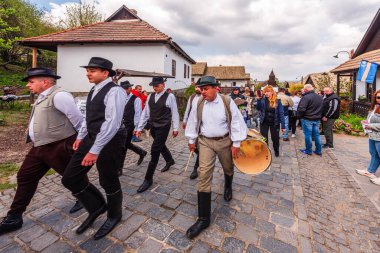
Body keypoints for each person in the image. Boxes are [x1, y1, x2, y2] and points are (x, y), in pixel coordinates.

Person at [0, 67, 84, 235]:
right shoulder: (42, 97)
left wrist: (77, 143)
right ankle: (14, 217)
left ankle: (84, 199)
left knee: (71, 176)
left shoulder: (60, 96)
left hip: (58, 145)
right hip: (39, 146)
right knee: (25, 176)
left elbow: (79, 121)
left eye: (31, 82)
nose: (28, 86)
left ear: (45, 81)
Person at [61, 57, 127, 240]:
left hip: (109, 140)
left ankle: (114, 215)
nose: (88, 73)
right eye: (88, 70)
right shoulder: (93, 89)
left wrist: (95, 149)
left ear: (105, 73)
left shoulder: (115, 91)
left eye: (92, 70)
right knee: (70, 178)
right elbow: (88, 116)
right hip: (91, 137)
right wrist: (81, 136)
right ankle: (96, 206)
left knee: (108, 179)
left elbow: (112, 123)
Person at [185, 76, 247, 239]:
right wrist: (192, 140)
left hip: (225, 141)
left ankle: (228, 186)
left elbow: (236, 122)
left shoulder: (227, 102)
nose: (202, 91)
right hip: (205, 142)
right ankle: (203, 219)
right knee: (204, 174)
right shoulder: (198, 102)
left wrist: (236, 143)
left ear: (216, 88)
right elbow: (193, 120)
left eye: (205, 89)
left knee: (228, 167)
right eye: (201, 89)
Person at [135, 76, 179, 193]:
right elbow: (145, 113)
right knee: (160, 145)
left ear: (163, 85)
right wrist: (139, 128)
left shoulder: (170, 96)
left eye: (157, 85)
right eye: (153, 86)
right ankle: (169, 160)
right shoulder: (150, 96)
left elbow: (174, 112)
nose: (155, 88)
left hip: (164, 126)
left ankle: (148, 179)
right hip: (154, 126)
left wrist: (175, 128)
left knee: (155, 149)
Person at [119, 81, 148, 176]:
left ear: (129, 89)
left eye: (124, 90)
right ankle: (142, 152)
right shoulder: (120, 98)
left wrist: (136, 129)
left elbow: (138, 115)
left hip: (130, 125)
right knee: (125, 144)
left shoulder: (136, 99)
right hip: (120, 125)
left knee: (123, 145)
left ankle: (119, 168)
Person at [356, 90, 380, 185]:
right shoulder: (374, 107)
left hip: (378, 136)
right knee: (373, 154)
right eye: (378, 97)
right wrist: (366, 122)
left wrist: (370, 126)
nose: (379, 99)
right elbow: (370, 119)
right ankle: (370, 171)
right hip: (372, 135)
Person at [256, 85, 285, 157]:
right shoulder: (262, 100)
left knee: (275, 138)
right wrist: (258, 100)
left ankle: (276, 151)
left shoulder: (277, 101)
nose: (266, 93)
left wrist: (283, 126)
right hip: (264, 122)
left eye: (268, 91)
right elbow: (258, 108)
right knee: (263, 138)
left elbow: (281, 113)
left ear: (272, 92)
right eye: (265, 92)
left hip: (275, 123)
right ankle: (265, 152)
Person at [297, 84, 323, 156]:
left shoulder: (306, 97)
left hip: (307, 118)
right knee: (317, 135)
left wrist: (299, 117)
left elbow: (302, 109)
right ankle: (318, 150)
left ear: (305, 90)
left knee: (308, 135)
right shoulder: (320, 97)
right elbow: (322, 108)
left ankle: (309, 150)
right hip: (317, 118)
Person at [182, 85, 202, 179]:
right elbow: (188, 109)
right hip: (192, 125)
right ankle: (203, 156)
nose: (197, 89)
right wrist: (185, 120)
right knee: (194, 147)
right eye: (196, 87)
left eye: (199, 87)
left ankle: (195, 169)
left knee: (201, 148)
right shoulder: (192, 97)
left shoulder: (206, 98)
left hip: (203, 128)